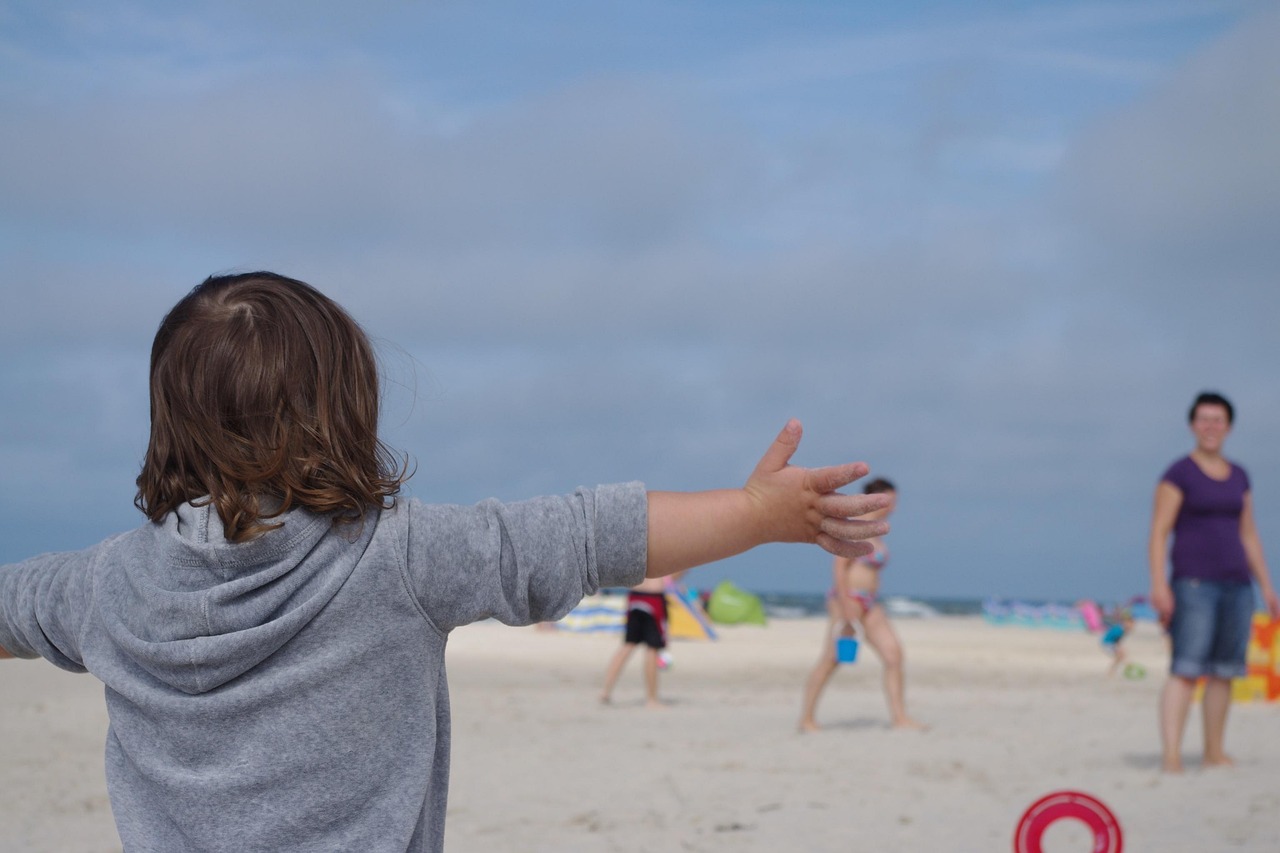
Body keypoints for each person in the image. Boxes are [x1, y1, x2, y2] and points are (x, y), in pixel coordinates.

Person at [0, 272, 891, 853]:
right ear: (345, 408)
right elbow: (588, 534)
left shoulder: (106, 587)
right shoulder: (396, 555)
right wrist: (755, 515)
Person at [1148, 391, 1279, 773]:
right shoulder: (1179, 473)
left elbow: (1250, 535)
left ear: (1229, 427)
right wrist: (1160, 585)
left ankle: (1214, 752)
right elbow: (1159, 531)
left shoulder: (1240, 476)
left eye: (1217, 420)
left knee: (1225, 672)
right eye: (1203, 419)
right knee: (1186, 669)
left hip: (1238, 585)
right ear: (1192, 425)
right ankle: (1172, 753)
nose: (1210, 426)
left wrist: (1267, 586)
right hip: (1193, 585)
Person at [798, 477, 926, 732]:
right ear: (877, 499)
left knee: (893, 655)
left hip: (871, 603)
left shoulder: (878, 530)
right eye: (891, 501)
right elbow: (839, 567)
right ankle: (806, 719)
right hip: (849, 599)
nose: (894, 508)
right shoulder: (853, 529)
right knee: (832, 658)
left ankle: (900, 718)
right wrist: (845, 605)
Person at [599, 574, 676, 707]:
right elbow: (674, 574)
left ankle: (605, 691)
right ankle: (652, 699)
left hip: (635, 595)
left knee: (628, 645)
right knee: (652, 648)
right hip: (653, 597)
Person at [1101, 608, 1134, 678]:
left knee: (1120, 656)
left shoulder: (1122, 629)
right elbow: (1117, 642)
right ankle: (1111, 671)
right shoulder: (1120, 630)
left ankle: (1112, 671)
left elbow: (1118, 642)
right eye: (1130, 625)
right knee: (1120, 656)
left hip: (1110, 643)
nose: (1132, 627)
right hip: (1107, 644)